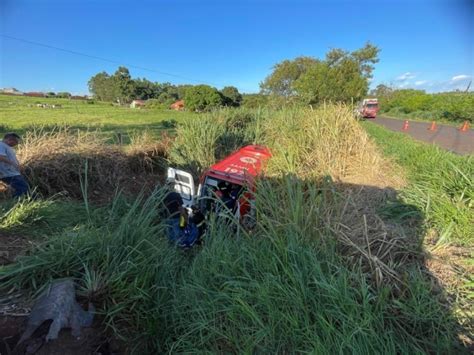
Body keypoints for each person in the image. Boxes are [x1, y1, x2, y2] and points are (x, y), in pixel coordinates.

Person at [0, 133, 29, 198]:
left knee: (19, 188)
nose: (16, 144)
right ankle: (21, 201)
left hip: (10, 172)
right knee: (22, 188)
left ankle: (16, 201)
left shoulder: (6, 146)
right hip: (8, 173)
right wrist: (13, 163)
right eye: (16, 142)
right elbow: (0, 156)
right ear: (10, 140)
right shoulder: (1, 145)